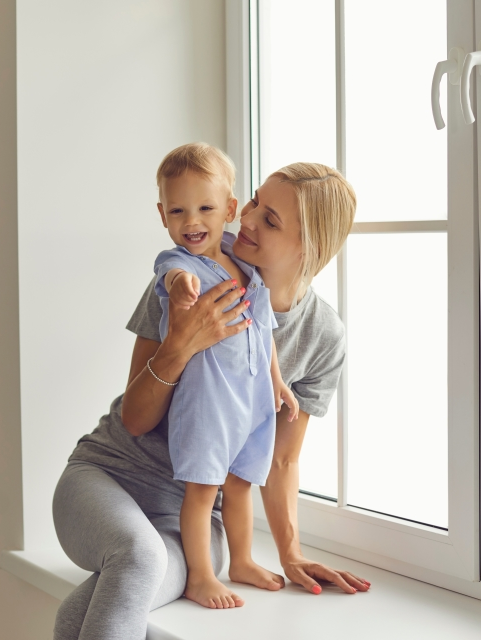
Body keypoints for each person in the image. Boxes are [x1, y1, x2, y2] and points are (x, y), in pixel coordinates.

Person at [52, 160, 370, 640]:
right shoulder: (190, 275)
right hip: (112, 475)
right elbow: (136, 420)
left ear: (310, 246)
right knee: (138, 559)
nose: (246, 216)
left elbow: (279, 459)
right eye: (256, 201)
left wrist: (291, 554)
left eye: (270, 219)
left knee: (98, 603)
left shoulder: (322, 336)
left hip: (200, 519)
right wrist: (182, 341)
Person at [151, 143, 299, 609]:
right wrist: (182, 289)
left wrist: (276, 381)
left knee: (240, 484)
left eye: (206, 208)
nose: (192, 221)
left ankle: (241, 560)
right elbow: (171, 277)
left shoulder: (243, 259)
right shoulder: (179, 264)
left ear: (230, 210)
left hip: (251, 397)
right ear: (163, 215)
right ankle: (199, 576)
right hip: (209, 403)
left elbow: (264, 327)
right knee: (203, 490)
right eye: (178, 210)